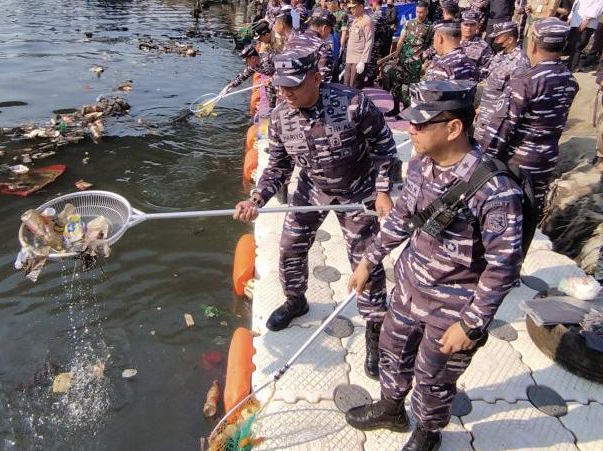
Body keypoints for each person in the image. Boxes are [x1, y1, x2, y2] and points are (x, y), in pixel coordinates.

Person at [345, 79, 524, 451]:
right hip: (410, 288)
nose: (410, 129)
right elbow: (401, 218)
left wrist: (471, 326)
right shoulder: (420, 164)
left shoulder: (495, 189)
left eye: (421, 123)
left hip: (454, 307)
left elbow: (502, 268)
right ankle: (392, 409)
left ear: (453, 128)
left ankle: (428, 433)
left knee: (433, 378)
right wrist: (369, 260)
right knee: (392, 355)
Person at [233, 47, 396, 379]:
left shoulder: (353, 104)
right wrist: (257, 199)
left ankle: (376, 329)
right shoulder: (280, 117)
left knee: (366, 262)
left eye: (293, 84)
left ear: (317, 78)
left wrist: (382, 192)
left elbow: (385, 148)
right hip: (313, 188)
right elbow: (278, 167)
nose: (286, 92)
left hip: (358, 188)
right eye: (281, 85)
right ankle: (296, 301)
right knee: (290, 246)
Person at [484, 17, 579, 211]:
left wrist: (481, 162)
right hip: (547, 157)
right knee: (531, 208)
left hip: (518, 161)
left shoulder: (525, 81)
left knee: (507, 210)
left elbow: (501, 128)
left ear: (533, 45)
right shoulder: (569, 79)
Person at [474, 21, 530, 148]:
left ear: (510, 39)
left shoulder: (520, 63)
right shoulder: (499, 56)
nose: (495, 40)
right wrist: (481, 108)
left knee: (488, 154)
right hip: (484, 114)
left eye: (498, 37)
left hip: (497, 120)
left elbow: (514, 97)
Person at [380, 2, 433, 116]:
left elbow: (431, 46)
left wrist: (425, 61)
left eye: (422, 12)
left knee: (408, 87)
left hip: (416, 62)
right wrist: (396, 57)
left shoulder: (430, 27)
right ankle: (395, 108)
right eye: (417, 12)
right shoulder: (408, 23)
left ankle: (406, 110)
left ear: (427, 12)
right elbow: (401, 40)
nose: (419, 14)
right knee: (396, 83)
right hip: (403, 58)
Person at [221, 21, 279, 108]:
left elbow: (285, 68)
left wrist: (273, 78)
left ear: (253, 58)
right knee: (268, 89)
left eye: (246, 60)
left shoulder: (270, 58)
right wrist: (229, 86)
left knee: (270, 85)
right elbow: (242, 77)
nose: (245, 62)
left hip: (285, 79)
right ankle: (271, 108)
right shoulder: (253, 66)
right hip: (274, 81)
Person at [286, 10, 335, 81]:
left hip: (287, 89)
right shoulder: (323, 47)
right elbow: (323, 79)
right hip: (308, 90)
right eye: (330, 30)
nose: (329, 34)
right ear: (324, 28)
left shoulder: (292, 41)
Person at [344, 0, 375, 87]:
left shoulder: (367, 21)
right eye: (350, 8)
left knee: (354, 87)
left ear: (361, 7)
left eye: (354, 7)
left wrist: (363, 61)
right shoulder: (355, 20)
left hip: (358, 59)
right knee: (346, 85)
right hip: (350, 59)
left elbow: (369, 41)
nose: (351, 10)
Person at [566, 0, 603, 71]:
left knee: (579, 45)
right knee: (572, 43)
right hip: (575, 21)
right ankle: (570, 62)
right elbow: (576, 4)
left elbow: (599, 7)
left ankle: (572, 66)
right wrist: (570, 17)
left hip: (588, 23)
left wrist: (587, 19)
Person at [366, 0, 391, 83]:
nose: (370, 6)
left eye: (371, 4)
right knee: (372, 61)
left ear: (375, 3)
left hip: (375, 42)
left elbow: (372, 31)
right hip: (378, 42)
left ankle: (369, 79)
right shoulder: (382, 13)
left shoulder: (378, 15)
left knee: (371, 61)